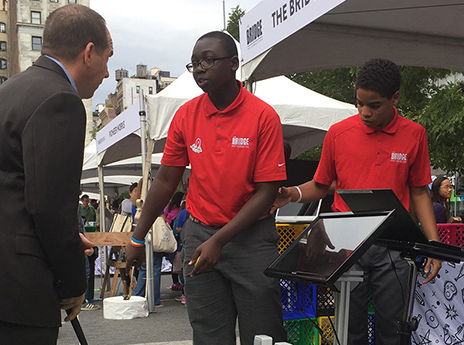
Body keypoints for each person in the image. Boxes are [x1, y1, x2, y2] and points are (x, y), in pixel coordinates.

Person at [0, 5, 111, 344]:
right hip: (12, 286)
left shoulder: (9, 90)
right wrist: (73, 285)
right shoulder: (61, 99)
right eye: (107, 57)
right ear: (89, 53)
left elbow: (10, 189)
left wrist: (68, 240)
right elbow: (49, 207)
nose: (106, 72)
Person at [125, 31, 287, 345]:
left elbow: (267, 192)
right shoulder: (186, 115)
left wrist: (220, 240)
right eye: (194, 63)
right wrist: (137, 234)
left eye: (209, 60)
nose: (200, 69)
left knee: (263, 335)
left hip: (251, 240)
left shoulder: (262, 117)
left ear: (234, 64)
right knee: (209, 334)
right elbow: (166, 180)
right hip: (200, 234)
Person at [273, 58, 442, 345]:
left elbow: (419, 192)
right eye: (358, 103)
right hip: (346, 243)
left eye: (374, 105)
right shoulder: (338, 133)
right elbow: (320, 185)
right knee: (349, 326)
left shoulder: (414, 134)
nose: (364, 112)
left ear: (395, 98)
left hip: (393, 244)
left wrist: (433, 246)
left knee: (394, 326)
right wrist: (292, 194)